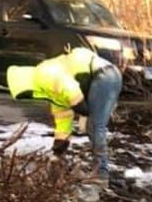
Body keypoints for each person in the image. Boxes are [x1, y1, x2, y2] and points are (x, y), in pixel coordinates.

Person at [7, 47, 122, 184]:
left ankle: (101, 174)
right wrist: (59, 148)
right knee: (94, 126)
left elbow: (70, 87)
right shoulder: (51, 92)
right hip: (104, 76)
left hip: (105, 75)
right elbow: (63, 119)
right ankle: (99, 170)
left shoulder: (43, 73)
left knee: (95, 126)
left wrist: (81, 107)